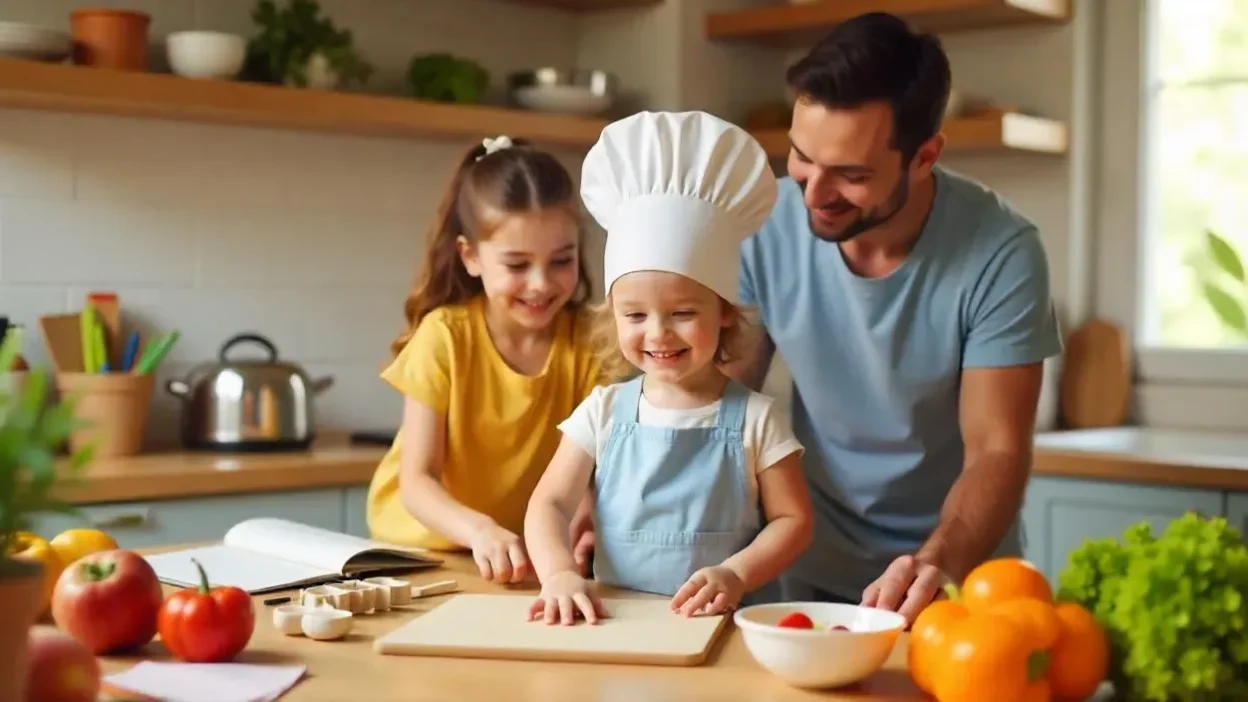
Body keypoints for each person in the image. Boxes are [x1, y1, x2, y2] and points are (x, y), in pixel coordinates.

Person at [727, 11, 1064, 623]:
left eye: (851, 175)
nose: (813, 194)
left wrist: (937, 562)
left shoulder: (1002, 251)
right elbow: (720, 399)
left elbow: (996, 449)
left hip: (959, 583)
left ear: (924, 156)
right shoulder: (764, 221)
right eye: (802, 158)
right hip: (811, 572)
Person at [524, 111, 813, 626]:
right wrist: (560, 574)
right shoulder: (604, 411)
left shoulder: (757, 420)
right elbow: (548, 504)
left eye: (683, 313)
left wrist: (737, 574)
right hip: (614, 627)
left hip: (723, 629)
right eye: (634, 315)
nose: (657, 333)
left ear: (724, 310)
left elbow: (793, 521)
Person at [365, 135, 602, 585]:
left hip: (517, 555)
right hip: (419, 554)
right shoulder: (446, 337)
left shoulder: (590, 343)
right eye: (517, 265)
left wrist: (585, 523)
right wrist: (479, 531)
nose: (540, 284)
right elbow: (417, 481)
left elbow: (589, 473)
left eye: (561, 260)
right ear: (470, 257)